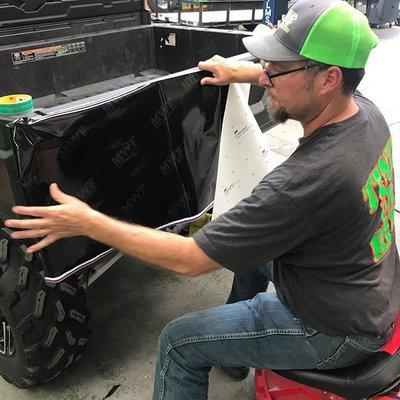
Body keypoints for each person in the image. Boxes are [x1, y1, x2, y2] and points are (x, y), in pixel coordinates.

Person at [4, 0, 400, 399]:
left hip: (334, 332)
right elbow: (289, 81)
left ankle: (230, 349)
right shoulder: (363, 112)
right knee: (247, 251)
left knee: (178, 342)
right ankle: (234, 355)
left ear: (329, 78)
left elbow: (190, 259)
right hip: (364, 290)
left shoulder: (302, 181)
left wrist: (88, 222)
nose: (265, 78)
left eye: (277, 69)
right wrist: (237, 72)